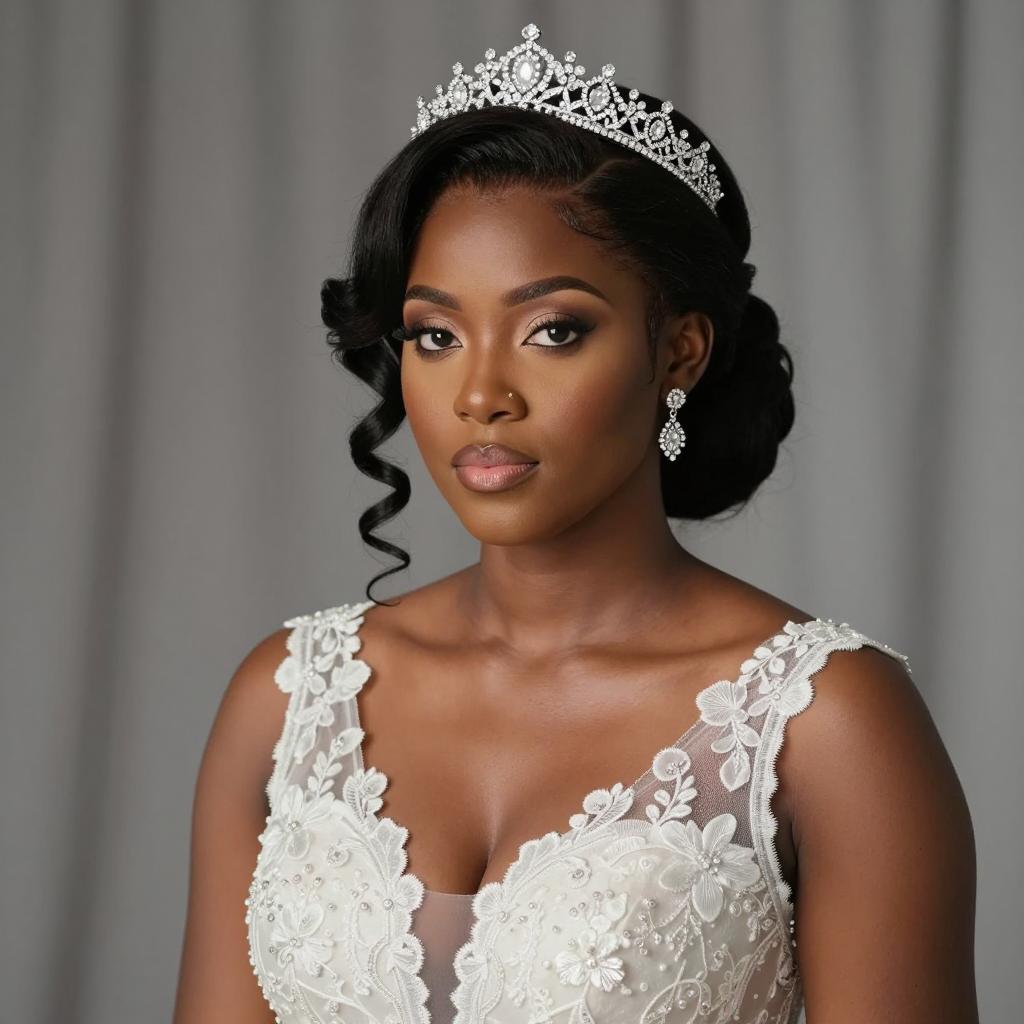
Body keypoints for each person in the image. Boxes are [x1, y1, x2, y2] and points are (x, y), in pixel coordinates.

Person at [173, 23, 978, 1024]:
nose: (480, 394)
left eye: (554, 330)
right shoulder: (286, 698)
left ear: (678, 350)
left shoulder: (828, 723)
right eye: (434, 334)